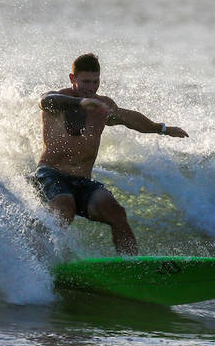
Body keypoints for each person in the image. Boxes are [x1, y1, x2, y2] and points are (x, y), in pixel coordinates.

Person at [32, 53, 188, 255]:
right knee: (65, 206)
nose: (91, 87)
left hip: (82, 181)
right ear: (73, 79)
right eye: (85, 81)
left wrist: (162, 128)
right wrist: (80, 104)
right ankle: (40, 259)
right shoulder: (59, 101)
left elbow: (128, 118)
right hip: (51, 175)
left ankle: (131, 266)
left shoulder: (102, 106)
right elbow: (45, 100)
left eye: (95, 81)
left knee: (116, 213)